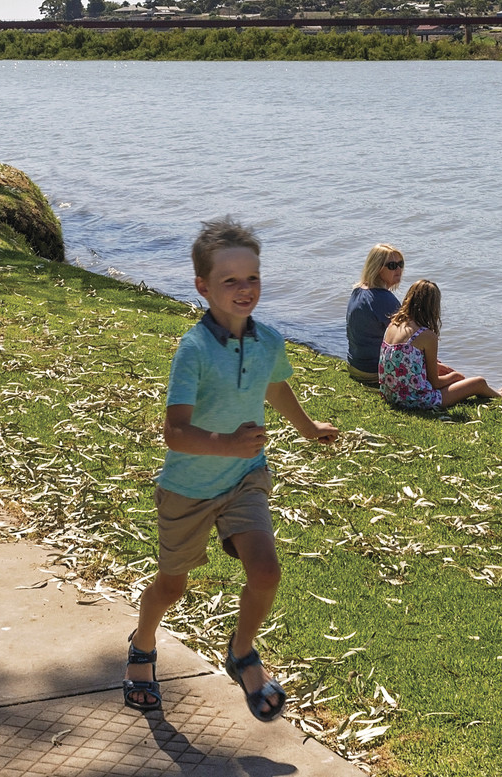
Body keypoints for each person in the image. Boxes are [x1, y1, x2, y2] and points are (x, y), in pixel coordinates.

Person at [125, 217, 339, 723]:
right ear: (203, 287)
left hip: (246, 478)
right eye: (230, 281)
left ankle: (242, 651)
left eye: (253, 279)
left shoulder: (268, 341)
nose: (245, 290)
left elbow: (273, 386)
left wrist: (308, 428)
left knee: (266, 570)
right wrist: (231, 443)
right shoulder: (193, 350)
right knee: (172, 587)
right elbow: (173, 432)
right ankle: (142, 644)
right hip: (188, 487)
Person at [375, 279, 502, 411]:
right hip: (415, 400)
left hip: (391, 394)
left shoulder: (393, 325)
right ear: (433, 308)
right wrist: (455, 377)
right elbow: (435, 383)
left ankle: (493, 393)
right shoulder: (426, 336)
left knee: (448, 373)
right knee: (478, 382)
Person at [343, 244, 404, 386]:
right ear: (377, 268)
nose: (399, 269)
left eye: (400, 264)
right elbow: (407, 340)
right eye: (392, 265)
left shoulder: (358, 290)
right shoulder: (384, 299)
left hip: (355, 366)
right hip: (373, 372)